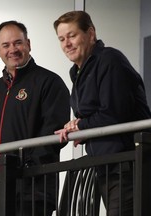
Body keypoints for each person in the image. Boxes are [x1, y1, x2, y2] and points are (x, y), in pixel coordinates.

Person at [53, 11, 151, 216]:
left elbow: (114, 114)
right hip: (107, 167)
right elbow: (95, 117)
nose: (66, 44)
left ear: (90, 34)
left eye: (72, 36)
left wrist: (81, 126)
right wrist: (79, 127)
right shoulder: (78, 72)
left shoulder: (109, 60)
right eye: (62, 39)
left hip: (128, 165)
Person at [0, 20, 70, 216]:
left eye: (18, 43)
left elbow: (52, 135)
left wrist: (24, 169)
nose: (12, 50)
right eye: (6, 45)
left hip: (32, 191)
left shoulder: (49, 82)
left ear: (29, 44)